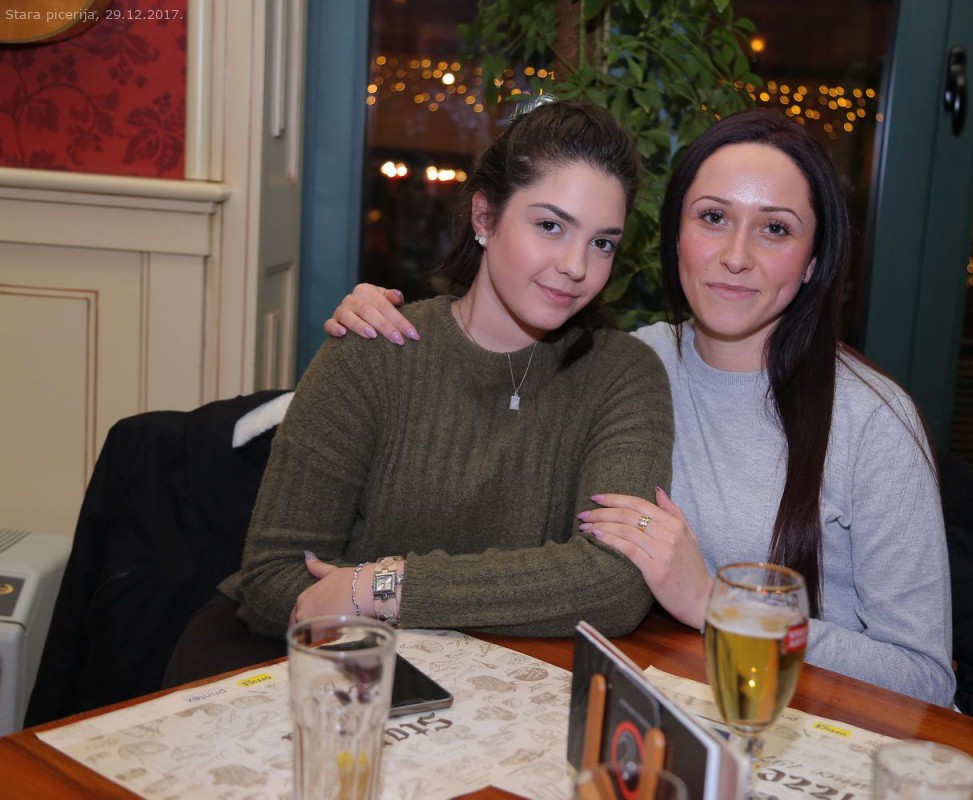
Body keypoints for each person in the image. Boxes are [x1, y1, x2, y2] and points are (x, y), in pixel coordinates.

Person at [326, 109, 956, 706]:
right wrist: (390, 328)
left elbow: (927, 680)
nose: (736, 256)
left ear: (814, 260)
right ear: (675, 233)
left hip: (804, 724)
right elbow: (479, 398)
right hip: (648, 700)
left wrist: (719, 605)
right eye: (713, 217)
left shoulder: (871, 422)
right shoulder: (626, 364)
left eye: (775, 229)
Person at [165, 99, 673, 684]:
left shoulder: (624, 374)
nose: (577, 266)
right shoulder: (373, 349)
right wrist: (514, 592)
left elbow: (617, 585)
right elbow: (274, 578)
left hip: (507, 693)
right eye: (550, 226)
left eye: (602, 242)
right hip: (342, 677)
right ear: (484, 217)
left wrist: (379, 587)